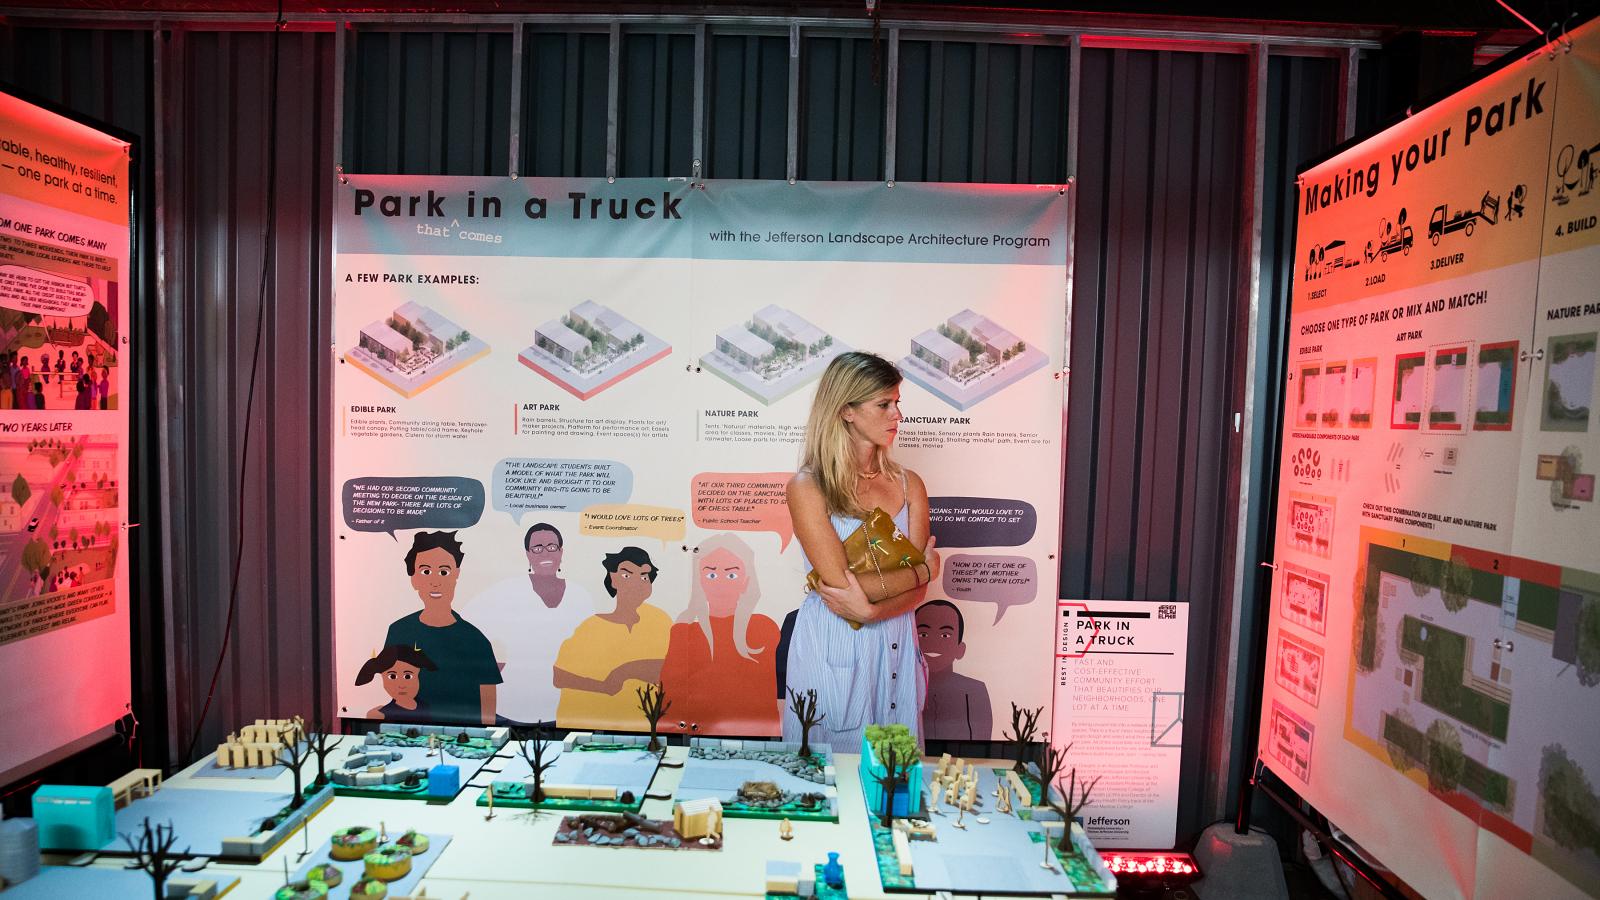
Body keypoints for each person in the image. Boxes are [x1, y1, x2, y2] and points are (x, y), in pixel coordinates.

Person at [781, 351, 940, 751]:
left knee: (896, 783)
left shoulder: (910, 485)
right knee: (829, 776)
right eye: (883, 404)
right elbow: (842, 587)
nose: (897, 416)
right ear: (847, 410)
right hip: (833, 643)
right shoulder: (808, 487)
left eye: (896, 403)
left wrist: (873, 610)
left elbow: (901, 597)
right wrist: (923, 570)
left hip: (897, 644)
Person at [465, 522, 594, 725]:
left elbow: (590, 649)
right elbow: (468, 628)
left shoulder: (581, 596)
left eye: (552, 547)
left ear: (561, 552)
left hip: (565, 709)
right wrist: (493, 669)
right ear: (528, 554)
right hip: (511, 708)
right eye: (537, 548)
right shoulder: (508, 591)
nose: (545, 553)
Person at [660, 533, 782, 734]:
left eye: (731, 574)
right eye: (711, 574)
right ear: (699, 581)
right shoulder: (685, 630)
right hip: (695, 737)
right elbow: (669, 698)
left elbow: (774, 695)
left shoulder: (764, 627)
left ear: (746, 580)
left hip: (757, 738)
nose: (720, 583)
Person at [382, 531, 501, 724]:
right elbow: (392, 688)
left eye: (444, 571)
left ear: (456, 575)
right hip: (410, 733)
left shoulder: (476, 639)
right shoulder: (399, 631)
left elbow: (488, 712)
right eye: (426, 571)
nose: (435, 581)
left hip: (466, 738)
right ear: (414, 579)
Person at [553, 546, 671, 730]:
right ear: (613, 579)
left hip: (650, 725)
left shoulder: (659, 619)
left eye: (644, 577)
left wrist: (625, 671)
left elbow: (670, 665)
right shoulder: (591, 627)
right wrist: (604, 686)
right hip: (594, 724)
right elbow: (559, 676)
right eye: (626, 575)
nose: (636, 583)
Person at [915, 599, 993, 740]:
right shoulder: (904, 688)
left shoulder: (975, 690)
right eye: (923, 634)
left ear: (960, 649)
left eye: (945, 635)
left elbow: (982, 738)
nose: (934, 642)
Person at [356, 644, 438, 724]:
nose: (401, 685)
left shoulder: (425, 707)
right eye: (392, 676)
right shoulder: (384, 714)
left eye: (408, 676)